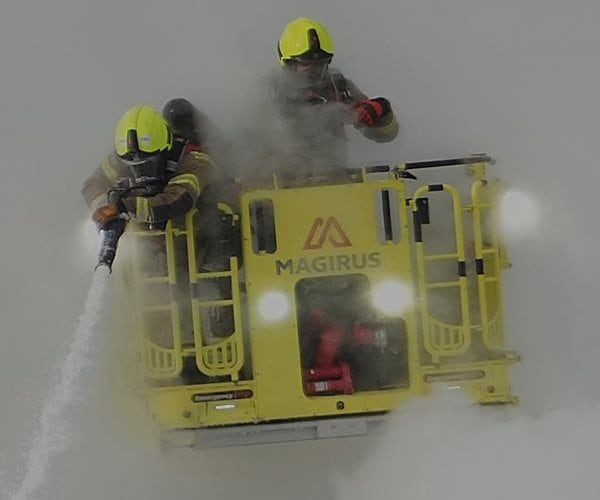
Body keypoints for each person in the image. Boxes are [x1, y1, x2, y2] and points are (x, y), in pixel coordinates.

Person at [243, 16, 399, 179]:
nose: (314, 70)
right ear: (288, 63)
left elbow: (386, 135)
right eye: (306, 64)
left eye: (320, 64)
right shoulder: (268, 92)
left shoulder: (338, 87)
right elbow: (243, 146)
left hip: (334, 182)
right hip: (279, 187)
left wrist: (381, 111)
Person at [82, 104, 219, 231]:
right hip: (154, 237)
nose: (140, 172)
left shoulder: (193, 160)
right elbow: (92, 184)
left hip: (205, 233)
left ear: (165, 148)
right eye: (133, 165)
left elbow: (177, 201)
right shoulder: (123, 157)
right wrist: (104, 206)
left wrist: (124, 207)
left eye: (149, 162)